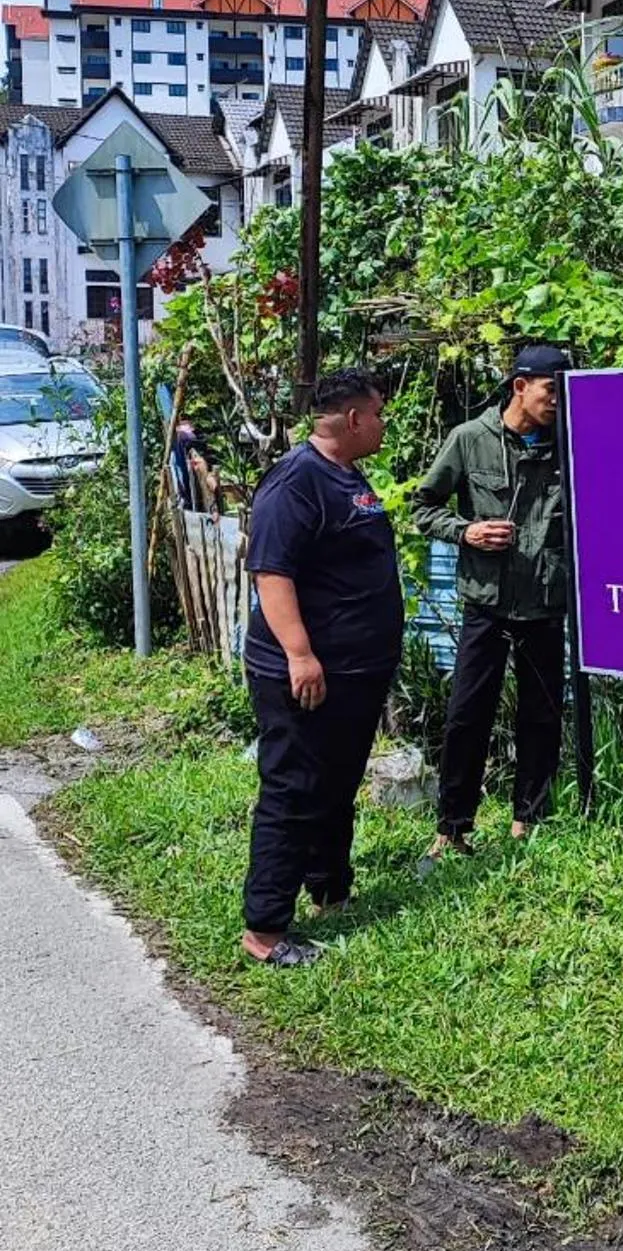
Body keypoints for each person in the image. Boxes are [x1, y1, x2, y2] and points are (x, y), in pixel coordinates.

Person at [241, 370, 403, 967]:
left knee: (336, 784)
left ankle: (330, 889)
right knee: (294, 788)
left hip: (355, 671)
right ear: (353, 419)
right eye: (378, 413)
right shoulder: (295, 481)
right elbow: (271, 574)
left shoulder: (346, 474)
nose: (384, 424)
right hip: (306, 672)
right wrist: (301, 655)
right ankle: (264, 931)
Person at [413, 343, 571, 865]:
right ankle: (453, 827)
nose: (558, 401)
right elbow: (424, 507)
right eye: (551, 390)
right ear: (520, 386)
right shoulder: (469, 439)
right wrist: (467, 531)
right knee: (467, 715)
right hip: (486, 603)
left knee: (542, 715)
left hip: (544, 601)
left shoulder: (567, 443)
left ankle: (530, 821)